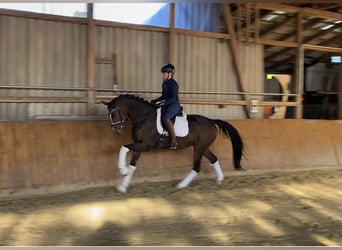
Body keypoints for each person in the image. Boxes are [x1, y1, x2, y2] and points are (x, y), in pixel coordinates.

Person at [151, 63, 182, 150]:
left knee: (166, 118)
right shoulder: (165, 84)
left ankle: (174, 141)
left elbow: (173, 98)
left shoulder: (173, 84)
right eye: (163, 73)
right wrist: (156, 100)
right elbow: (163, 96)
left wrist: (162, 103)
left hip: (174, 105)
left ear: (170, 74)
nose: (163, 75)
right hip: (167, 104)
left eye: (164, 73)